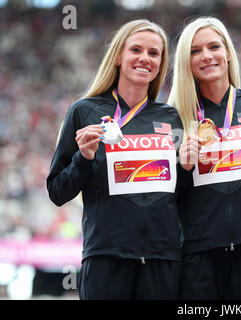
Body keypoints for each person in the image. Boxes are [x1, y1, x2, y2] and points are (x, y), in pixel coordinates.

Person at [47, 19, 183, 300]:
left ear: (161, 63)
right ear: (118, 56)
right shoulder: (83, 111)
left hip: (162, 259)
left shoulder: (169, 117)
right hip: (106, 258)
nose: (145, 58)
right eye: (136, 50)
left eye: (154, 53)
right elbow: (57, 192)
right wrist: (83, 159)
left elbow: (181, 192)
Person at [167, 17, 241, 299]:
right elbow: (165, 197)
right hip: (198, 254)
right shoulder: (173, 117)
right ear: (186, 61)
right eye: (195, 51)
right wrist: (183, 167)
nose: (206, 56)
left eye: (214, 46)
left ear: (228, 52)